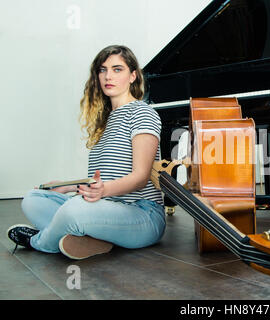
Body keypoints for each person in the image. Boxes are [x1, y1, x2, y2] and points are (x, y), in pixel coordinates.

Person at [7, 45, 166, 260]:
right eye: (102, 70)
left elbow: (140, 178)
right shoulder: (106, 121)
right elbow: (101, 179)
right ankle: (95, 239)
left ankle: (39, 242)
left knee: (74, 209)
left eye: (117, 69)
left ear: (133, 76)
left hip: (142, 214)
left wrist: (102, 191)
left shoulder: (142, 113)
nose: (108, 76)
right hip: (106, 207)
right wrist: (68, 186)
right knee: (32, 199)